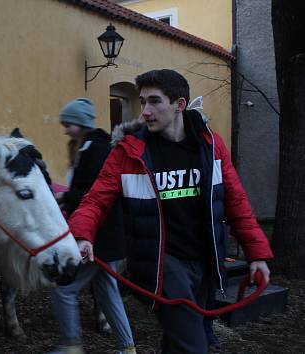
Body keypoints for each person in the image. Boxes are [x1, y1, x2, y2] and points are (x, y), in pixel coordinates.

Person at [69, 69, 273, 354]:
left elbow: (236, 202)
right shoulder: (128, 152)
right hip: (161, 264)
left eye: (155, 101)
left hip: (204, 261)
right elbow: (95, 200)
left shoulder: (210, 146)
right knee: (193, 345)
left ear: (179, 104)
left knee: (180, 340)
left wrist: (258, 254)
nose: (146, 111)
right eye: (142, 102)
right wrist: (82, 234)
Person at [49, 99, 136, 354]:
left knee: (63, 288)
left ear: (82, 122)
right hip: (102, 237)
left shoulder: (96, 148)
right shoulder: (91, 146)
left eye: (68, 124)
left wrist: (65, 197)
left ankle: (71, 345)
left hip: (98, 237)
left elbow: (95, 194)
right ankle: (128, 348)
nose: (65, 129)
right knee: (108, 291)